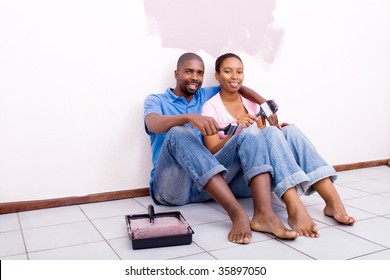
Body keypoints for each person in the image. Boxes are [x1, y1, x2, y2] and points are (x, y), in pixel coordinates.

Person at [143, 52, 298, 244]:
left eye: (200, 73)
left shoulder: (204, 94)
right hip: (172, 188)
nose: (195, 78)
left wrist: (263, 103)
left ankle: (264, 214)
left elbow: (238, 87)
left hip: (207, 186)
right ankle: (237, 214)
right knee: (179, 132)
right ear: (176, 74)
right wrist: (188, 118)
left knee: (248, 133)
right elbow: (152, 123)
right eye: (188, 72)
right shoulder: (156, 100)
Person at [201, 53, 355, 238]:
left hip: (259, 177)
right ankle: (294, 205)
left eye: (239, 72)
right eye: (228, 71)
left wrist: (273, 129)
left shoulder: (251, 103)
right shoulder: (210, 107)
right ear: (217, 75)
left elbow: (262, 140)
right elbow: (210, 153)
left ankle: (332, 201)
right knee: (265, 132)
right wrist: (237, 129)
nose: (235, 76)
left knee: (291, 131)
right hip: (232, 179)